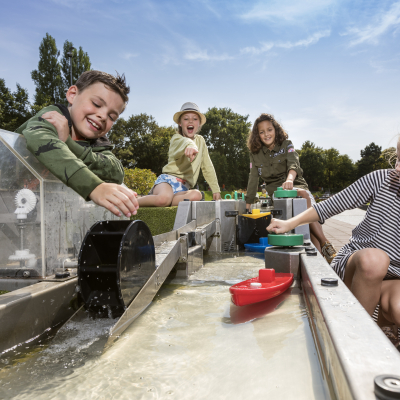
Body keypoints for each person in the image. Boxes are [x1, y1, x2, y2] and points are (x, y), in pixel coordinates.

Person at [267, 141, 400, 329]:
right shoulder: (383, 179)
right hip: (358, 265)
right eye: (399, 159)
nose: (398, 168)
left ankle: (385, 331)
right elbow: (331, 205)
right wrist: (290, 223)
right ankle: (354, 336)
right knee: (375, 260)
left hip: (394, 277)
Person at [15, 70, 138, 218]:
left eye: (112, 116)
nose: (103, 116)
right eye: (96, 104)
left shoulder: (99, 143)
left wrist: (68, 143)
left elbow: (116, 172)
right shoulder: (53, 117)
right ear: (72, 94)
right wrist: (94, 187)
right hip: (12, 202)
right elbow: (41, 141)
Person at [245, 113, 336, 262]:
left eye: (269, 129)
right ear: (257, 135)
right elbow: (253, 178)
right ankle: (324, 247)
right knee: (306, 207)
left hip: (295, 183)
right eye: (261, 132)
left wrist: (289, 180)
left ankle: (322, 248)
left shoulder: (287, 144)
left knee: (303, 197)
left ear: (275, 129)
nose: (266, 134)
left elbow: (294, 165)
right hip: (277, 192)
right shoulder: (255, 154)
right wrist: (248, 203)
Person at [138, 102, 221, 207]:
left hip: (183, 188)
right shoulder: (176, 138)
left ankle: (169, 201)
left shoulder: (201, 141)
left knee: (197, 195)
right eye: (186, 119)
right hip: (167, 182)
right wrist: (191, 146)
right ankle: (134, 201)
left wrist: (215, 189)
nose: (190, 121)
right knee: (163, 199)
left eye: (195, 119)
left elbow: (207, 166)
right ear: (180, 123)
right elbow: (185, 142)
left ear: (199, 124)